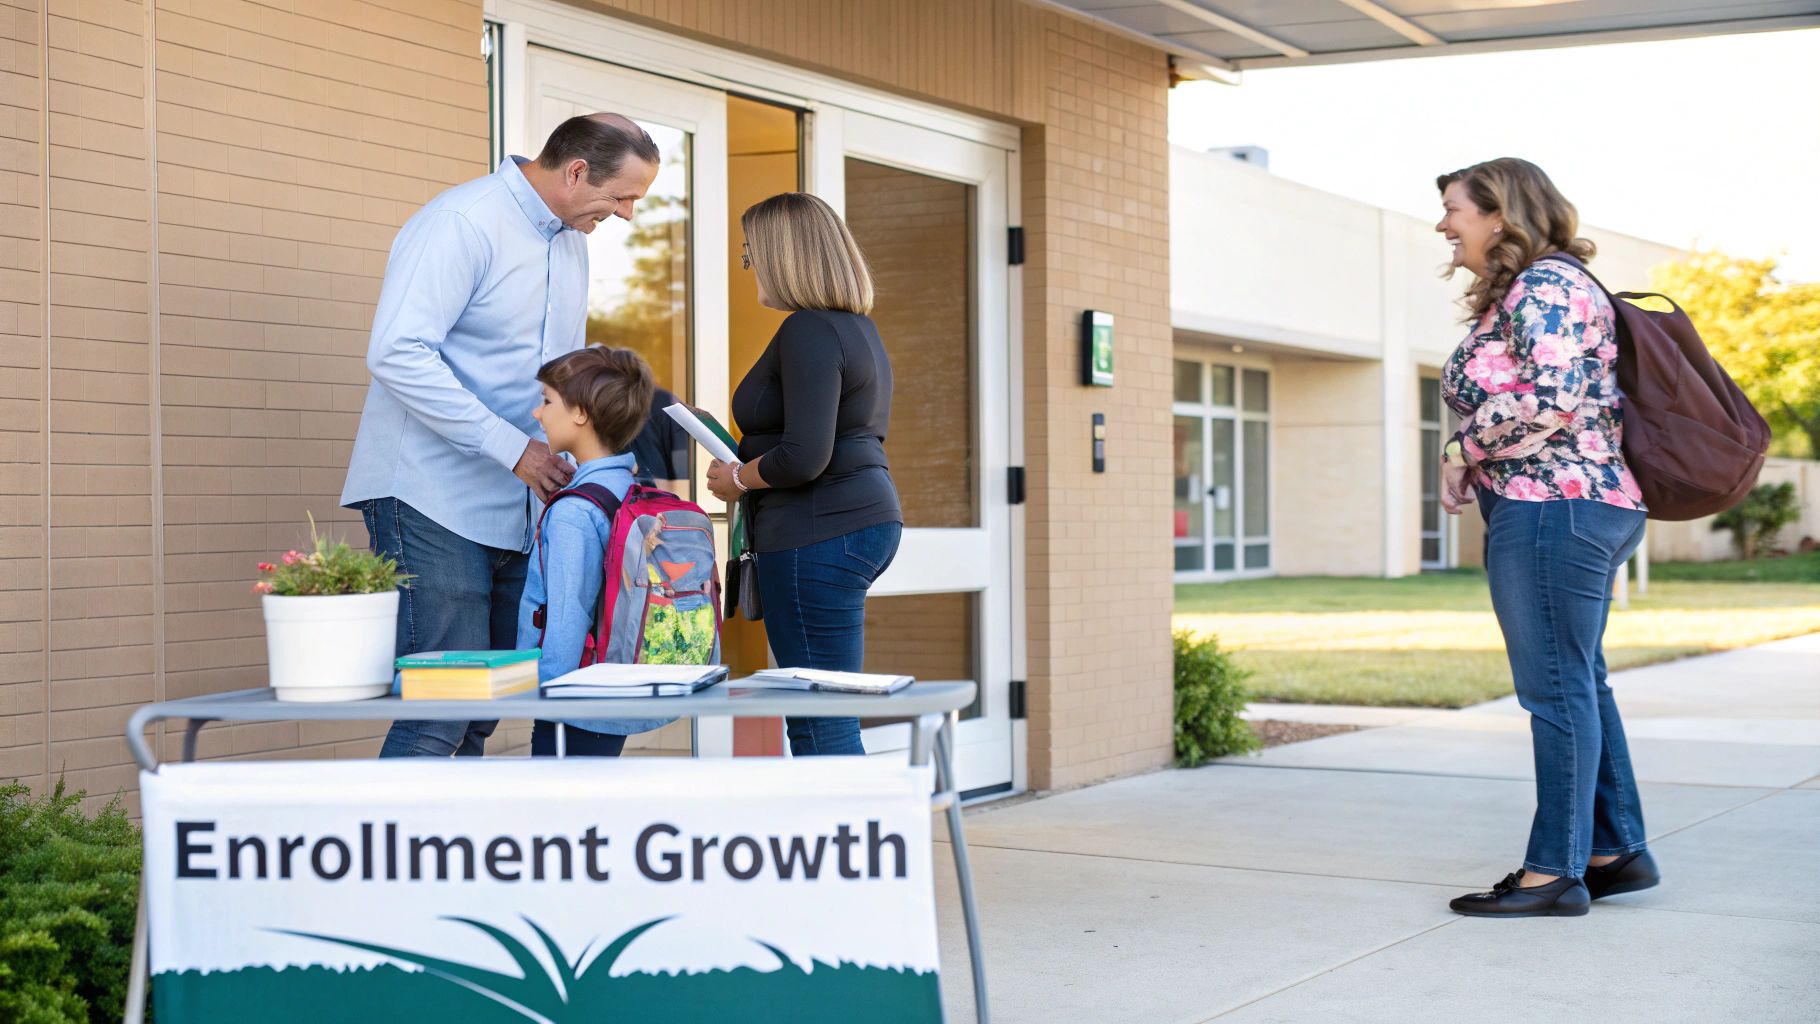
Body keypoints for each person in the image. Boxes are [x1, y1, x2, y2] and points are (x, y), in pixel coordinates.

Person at [341, 114, 660, 757]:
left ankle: (457, 857)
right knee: (440, 711)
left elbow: (560, 381)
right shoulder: (462, 222)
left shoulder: (571, 241)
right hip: (432, 497)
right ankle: (391, 858)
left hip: (522, 504)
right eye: (621, 196)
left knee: (483, 713)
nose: (625, 215)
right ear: (576, 172)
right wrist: (513, 449)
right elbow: (398, 352)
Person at [1434, 158, 1658, 918]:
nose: (1443, 224)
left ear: (1499, 215)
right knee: (1578, 680)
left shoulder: (1548, 286)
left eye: (1453, 209)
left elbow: (1552, 396)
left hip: (1553, 506)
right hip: (1563, 503)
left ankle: (1553, 872)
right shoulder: (1541, 288)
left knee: (1555, 690)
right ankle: (1614, 849)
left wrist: (1463, 449)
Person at [705, 192, 902, 757]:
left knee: (818, 715)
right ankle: (857, 838)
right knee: (828, 705)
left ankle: (849, 843)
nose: (750, 268)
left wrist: (738, 479)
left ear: (784, 256)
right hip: (853, 521)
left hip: (817, 530)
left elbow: (804, 456)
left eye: (751, 254)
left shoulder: (808, 329)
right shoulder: (856, 329)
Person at [518, 347, 672, 756]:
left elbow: (568, 617)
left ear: (580, 414)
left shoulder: (575, 512)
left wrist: (543, 696)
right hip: (610, 686)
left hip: (572, 699)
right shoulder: (633, 491)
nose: (538, 413)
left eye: (547, 401)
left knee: (560, 812)